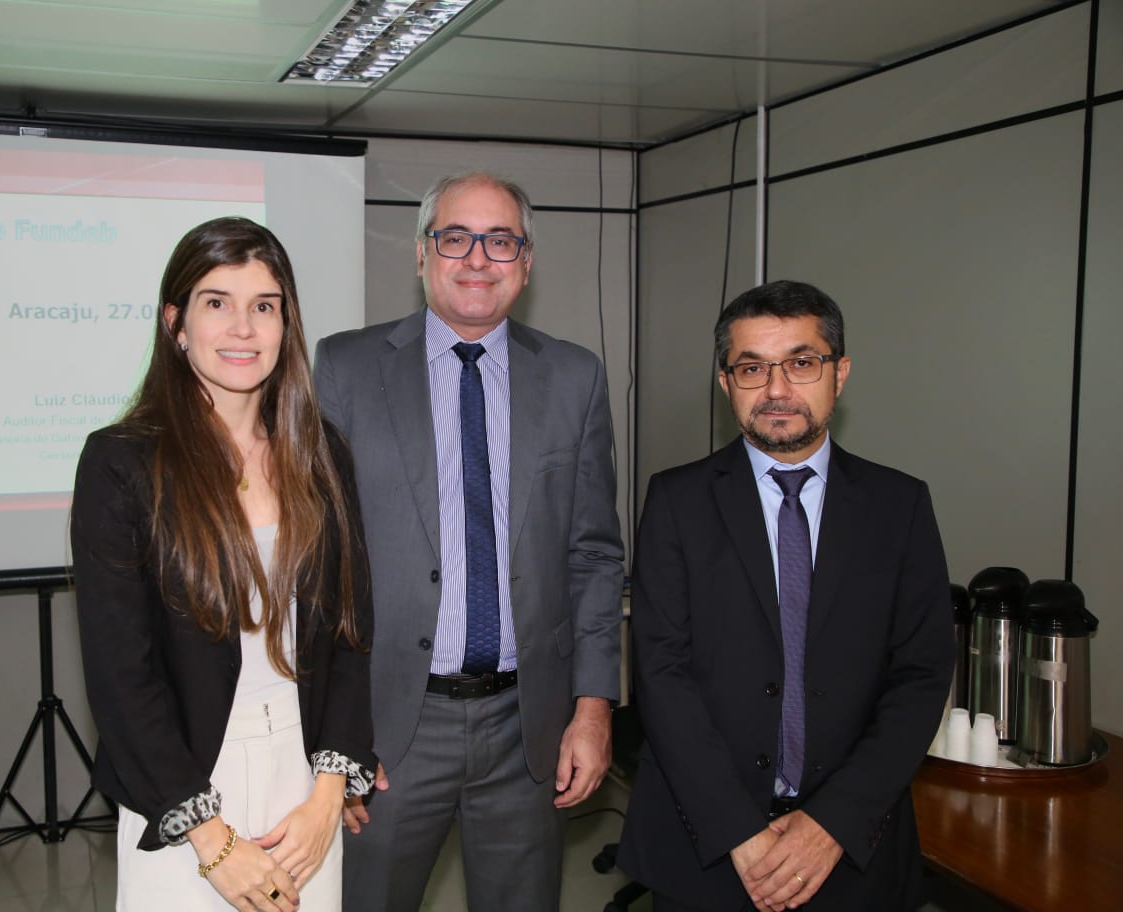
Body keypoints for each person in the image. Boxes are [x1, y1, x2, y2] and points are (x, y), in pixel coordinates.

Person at [313, 172, 625, 911]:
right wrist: (330, 736)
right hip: (389, 727)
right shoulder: (346, 369)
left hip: (530, 728)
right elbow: (314, 563)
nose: (477, 258)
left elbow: (594, 556)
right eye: (455, 237)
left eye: (501, 240)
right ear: (422, 255)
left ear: (526, 260)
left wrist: (593, 708)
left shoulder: (574, 377)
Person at [618, 280, 954, 911]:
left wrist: (832, 825)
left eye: (801, 363)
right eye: (752, 368)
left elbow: (922, 675)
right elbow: (661, 672)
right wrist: (736, 830)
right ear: (726, 384)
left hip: (853, 848)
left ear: (840, 372)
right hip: (708, 846)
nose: (776, 390)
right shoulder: (676, 501)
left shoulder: (899, 506)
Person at [70, 217, 375, 912]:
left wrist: (330, 792)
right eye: (218, 303)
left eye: (264, 306)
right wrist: (209, 837)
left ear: (285, 324)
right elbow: (122, 678)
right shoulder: (121, 464)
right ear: (176, 324)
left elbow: (352, 633)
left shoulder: (322, 452)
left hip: (304, 782)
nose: (243, 328)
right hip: (181, 781)